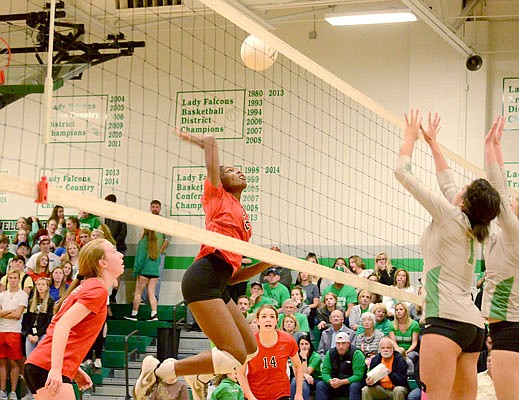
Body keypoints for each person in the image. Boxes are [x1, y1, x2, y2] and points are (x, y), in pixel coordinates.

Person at [133, 129, 272, 400]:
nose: (239, 172)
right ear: (220, 179)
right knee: (234, 354)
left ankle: (200, 374)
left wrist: (262, 265)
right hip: (203, 276)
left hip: (220, 282)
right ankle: (162, 370)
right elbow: (212, 156)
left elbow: (232, 277)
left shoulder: (244, 221)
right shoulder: (215, 196)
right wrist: (209, 145)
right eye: (231, 170)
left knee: (249, 349)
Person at [394, 110, 500, 400]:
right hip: (472, 326)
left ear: (464, 202)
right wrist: (433, 144)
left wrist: (410, 138)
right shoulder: (475, 227)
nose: (458, 188)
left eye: (463, 189)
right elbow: (448, 183)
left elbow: (403, 173)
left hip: (444, 321)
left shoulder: (449, 215)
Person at [24, 238, 124, 399]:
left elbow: (58, 323)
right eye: (113, 251)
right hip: (47, 365)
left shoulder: (88, 286)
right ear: (102, 263)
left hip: (42, 363)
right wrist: (57, 369)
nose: (120, 255)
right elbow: (62, 325)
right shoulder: (97, 290)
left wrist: (73, 369)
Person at [482, 115, 519, 400]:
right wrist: (494, 146)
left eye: (515, 199)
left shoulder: (515, 234)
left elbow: (499, 187)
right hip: (503, 324)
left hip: (510, 327)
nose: (510, 199)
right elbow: (501, 192)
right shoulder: (498, 235)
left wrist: (490, 147)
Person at [237, 305, 303, 400]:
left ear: (276, 321)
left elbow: (297, 366)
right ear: (258, 321)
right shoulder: (249, 343)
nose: (268, 320)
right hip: (255, 394)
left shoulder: (287, 340)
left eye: (272, 316)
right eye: (264, 316)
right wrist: (250, 397)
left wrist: (298, 393)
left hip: (281, 393)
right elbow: (241, 373)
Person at [0, 269, 28, 400]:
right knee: (2, 362)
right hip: (1, 330)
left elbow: (18, 315)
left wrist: (5, 312)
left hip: (14, 332)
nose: (12, 280)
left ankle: (13, 392)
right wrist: (11, 311)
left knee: (14, 362)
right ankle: (2, 390)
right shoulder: (1, 295)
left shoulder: (23, 295)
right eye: (10, 278)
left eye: (15, 278)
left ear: (18, 279)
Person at [316, 331, 365, 400]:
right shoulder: (330, 353)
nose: (340, 346)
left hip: (350, 383)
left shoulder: (357, 354)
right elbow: (325, 372)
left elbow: (358, 376)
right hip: (335, 382)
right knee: (321, 385)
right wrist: (330, 381)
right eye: (338, 343)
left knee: (354, 386)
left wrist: (341, 382)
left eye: (343, 343)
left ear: (348, 343)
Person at [125, 229, 160, 321]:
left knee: (138, 293)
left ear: (145, 232)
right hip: (155, 272)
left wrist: (136, 272)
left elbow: (139, 259)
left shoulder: (143, 242)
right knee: (151, 294)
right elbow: (159, 260)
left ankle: (134, 314)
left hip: (144, 271)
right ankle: (154, 314)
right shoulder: (156, 244)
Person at [142, 200, 171, 303]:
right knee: (144, 276)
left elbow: (167, 239)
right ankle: (144, 298)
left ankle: (154, 299)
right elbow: (143, 236)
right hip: (147, 254)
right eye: (153, 207)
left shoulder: (164, 222)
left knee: (157, 277)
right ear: (150, 208)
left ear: (160, 208)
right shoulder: (146, 220)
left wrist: (159, 251)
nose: (155, 209)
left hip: (159, 254)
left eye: (157, 207)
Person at [22, 278, 54, 357]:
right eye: (39, 284)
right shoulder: (31, 301)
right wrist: (29, 334)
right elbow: (26, 319)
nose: (41, 287)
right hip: (31, 334)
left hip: (42, 333)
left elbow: (48, 322)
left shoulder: (50, 302)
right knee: (29, 358)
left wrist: (38, 335)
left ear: (47, 287)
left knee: (39, 356)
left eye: (43, 285)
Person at [388, 302, 420, 373]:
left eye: (401, 309)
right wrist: (399, 351)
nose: (398, 311)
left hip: (410, 350)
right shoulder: (391, 325)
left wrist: (406, 352)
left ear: (406, 311)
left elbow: (414, 342)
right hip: (397, 349)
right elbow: (393, 342)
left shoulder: (414, 324)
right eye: (396, 310)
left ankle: (409, 375)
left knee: (409, 357)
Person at [291, 333, 322, 400]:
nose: (304, 346)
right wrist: (305, 375)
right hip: (304, 378)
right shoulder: (294, 355)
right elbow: (295, 373)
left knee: (301, 380)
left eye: (306, 344)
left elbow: (307, 372)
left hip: (315, 380)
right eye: (302, 344)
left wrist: (304, 358)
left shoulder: (316, 356)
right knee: (296, 380)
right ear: (298, 346)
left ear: (310, 345)